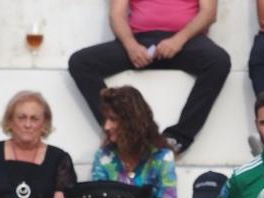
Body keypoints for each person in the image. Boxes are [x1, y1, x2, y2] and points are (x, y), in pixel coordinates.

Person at [67, 0, 230, 156]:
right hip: (139, 41)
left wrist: (178, 40)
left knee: (219, 61)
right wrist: (131, 46)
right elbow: (116, 14)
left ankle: (177, 138)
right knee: (80, 63)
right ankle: (121, 130)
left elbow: (208, 13)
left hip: (187, 41)